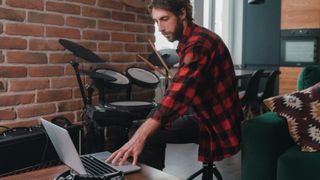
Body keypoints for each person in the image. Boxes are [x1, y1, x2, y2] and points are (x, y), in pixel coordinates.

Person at [107, 0, 243, 171]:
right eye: (156, 21)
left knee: (138, 130)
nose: (160, 28)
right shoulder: (194, 39)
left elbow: (178, 95)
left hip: (214, 122)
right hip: (212, 114)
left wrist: (140, 137)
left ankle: (149, 176)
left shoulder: (198, 44)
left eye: (164, 19)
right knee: (151, 117)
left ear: (182, 13)